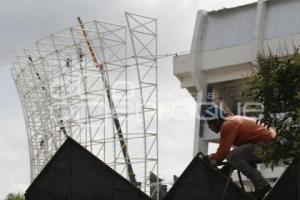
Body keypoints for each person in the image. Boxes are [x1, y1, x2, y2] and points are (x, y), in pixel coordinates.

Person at [203, 106, 276, 198]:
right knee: (238, 157)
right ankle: (260, 187)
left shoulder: (228, 124)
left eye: (210, 123)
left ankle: (262, 185)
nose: (209, 127)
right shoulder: (233, 120)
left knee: (232, 156)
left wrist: (210, 158)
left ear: (217, 120)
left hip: (268, 146)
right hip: (270, 146)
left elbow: (223, 152)